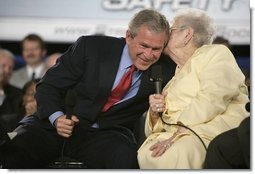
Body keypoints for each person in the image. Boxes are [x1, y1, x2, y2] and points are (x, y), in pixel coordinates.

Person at [0, 9, 176, 169]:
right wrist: (57, 118)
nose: (148, 55)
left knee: (124, 156)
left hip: (105, 135)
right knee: (17, 147)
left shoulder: (165, 69)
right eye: (144, 46)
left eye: (156, 49)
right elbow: (48, 86)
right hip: (55, 125)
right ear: (129, 36)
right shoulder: (91, 48)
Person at [137, 8, 249, 169]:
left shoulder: (215, 53)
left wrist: (177, 135)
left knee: (174, 153)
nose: (166, 34)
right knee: (145, 152)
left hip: (209, 131)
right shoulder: (175, 73)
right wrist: (155, 113)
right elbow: (162, 122)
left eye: (171, 30)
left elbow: (211, 98)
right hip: (173, 135)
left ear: (187, 35)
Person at [0, 49, 23, 132]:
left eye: (10, 67)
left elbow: (13, 118)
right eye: (3, 66)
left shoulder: (18, 93)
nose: (7, 71)